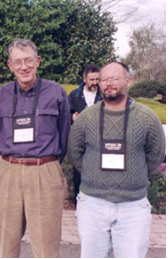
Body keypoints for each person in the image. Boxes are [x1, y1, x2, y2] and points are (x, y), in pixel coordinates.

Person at [68, 61, 165, 258]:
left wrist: (134, 174)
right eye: (104, 79)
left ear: (128, 81)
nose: (108, 83)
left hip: (132, 207)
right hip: (93, 204)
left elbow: (155, 155)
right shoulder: (87, 118)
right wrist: (93, 175)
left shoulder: (147, 118)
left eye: (114, 78)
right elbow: (74, 152)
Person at [0, 38, 70, 258]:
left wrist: (46, 162)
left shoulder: (56, 92)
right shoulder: (2, 95)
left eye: (28, 60)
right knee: (7, 243)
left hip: (44, 170)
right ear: (10, 65)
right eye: (18, 62)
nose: (23, 67)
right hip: (9, 171)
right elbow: (1, 129)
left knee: (46, 245)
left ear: (37, 61)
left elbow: (64, 133)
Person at [68, 64, 102, 205]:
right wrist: (72, 117)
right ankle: (79, 203)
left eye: (97, 79)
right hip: (80, 139)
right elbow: (66, 113)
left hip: (99, 139)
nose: (95, 82)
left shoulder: (104, 95)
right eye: (92, 79)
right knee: (78, 171)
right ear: (84, 79)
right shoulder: (74, 95)